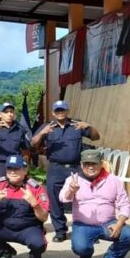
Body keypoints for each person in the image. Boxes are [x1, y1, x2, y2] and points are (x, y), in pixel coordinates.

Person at [59, 149, 130, 258]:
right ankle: (85, 255)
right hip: (83, 224)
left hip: (108, 223)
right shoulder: (73, 179)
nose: (90, 167)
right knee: (80, 247)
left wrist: (119, 223)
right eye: (87, 164)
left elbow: (125, 204)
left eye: (94, 164)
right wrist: (71, 190)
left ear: (101, 163)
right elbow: (63, 198)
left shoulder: (114, 180)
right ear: (81, 164)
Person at [32, 100, 100, 242]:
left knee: (81, 198)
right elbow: (33, 143)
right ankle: (60, 231)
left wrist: (89, 126)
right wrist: (42, 133)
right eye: (57, 110)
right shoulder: (47, 126)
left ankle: (83, 229)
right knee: (55, 200)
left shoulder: (77, 125)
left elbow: (95, 137)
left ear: (67, 111)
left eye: (62, 110)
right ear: (53, 113)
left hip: (75, 168)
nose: (60, 112)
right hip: (56, 168)